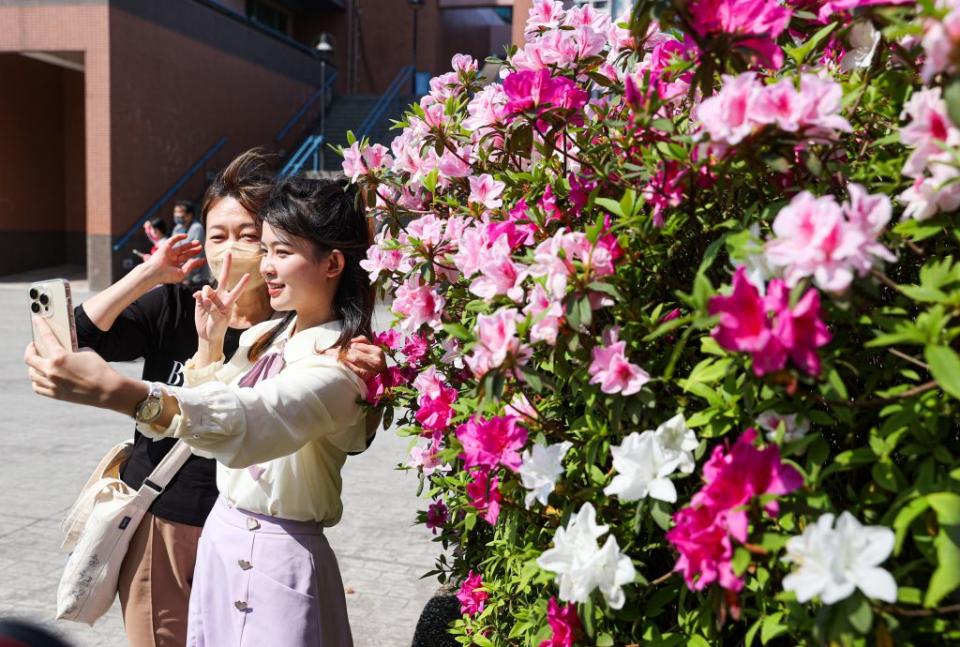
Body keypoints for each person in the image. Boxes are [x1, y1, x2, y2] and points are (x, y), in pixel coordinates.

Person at [46, 152, 384, 647]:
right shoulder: (255, 330)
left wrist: (124, 394)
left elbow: (257, 418)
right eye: (219, 235)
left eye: (262, 242)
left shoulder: (335, 354)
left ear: (330, 262)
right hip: (185, 523)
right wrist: (194, 327)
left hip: (269, 550)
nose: (256, 260)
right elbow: (78, 339)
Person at [172, 201, 208, 286]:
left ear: (189, 215)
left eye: (180, 213)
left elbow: (196, 252)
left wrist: (186, 275)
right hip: (181, 274)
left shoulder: (197, 228)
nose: (177, 216)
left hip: (197, 276)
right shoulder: (177, 228)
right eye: (175, 213)